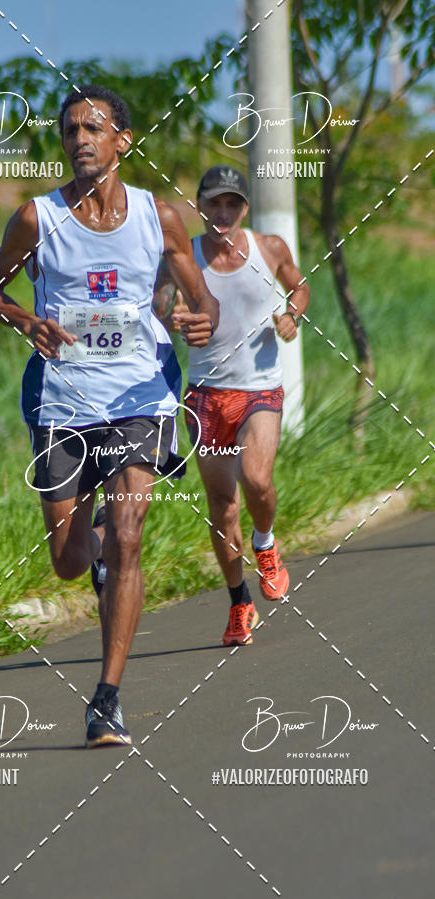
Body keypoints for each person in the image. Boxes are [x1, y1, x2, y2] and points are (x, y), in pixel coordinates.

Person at [0, 86, 219, 748]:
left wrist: (200, 322)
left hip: (139, 395)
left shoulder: (159, 217)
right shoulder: (36, 219)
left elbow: (202, 301)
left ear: (123, 141)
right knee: (68, 559)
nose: (80, 138)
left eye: (94, 128)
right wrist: (27, 320)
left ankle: (106, 698)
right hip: (63, 399)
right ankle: (97, 529)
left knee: (131, 536)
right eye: (70, 130)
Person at [153, 166, 309, 646]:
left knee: (257, 478)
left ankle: (265, 542)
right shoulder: (184, 255)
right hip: (205, 395)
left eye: (232, 205)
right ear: (199, 205)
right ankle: (240, 602)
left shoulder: (271, 248)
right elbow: (159, 303)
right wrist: (172, 313)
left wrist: (292, 316)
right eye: (214, 204)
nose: (223, 214)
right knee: (221, 507)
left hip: (260, 389)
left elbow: (299, 286)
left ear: (245, 208)